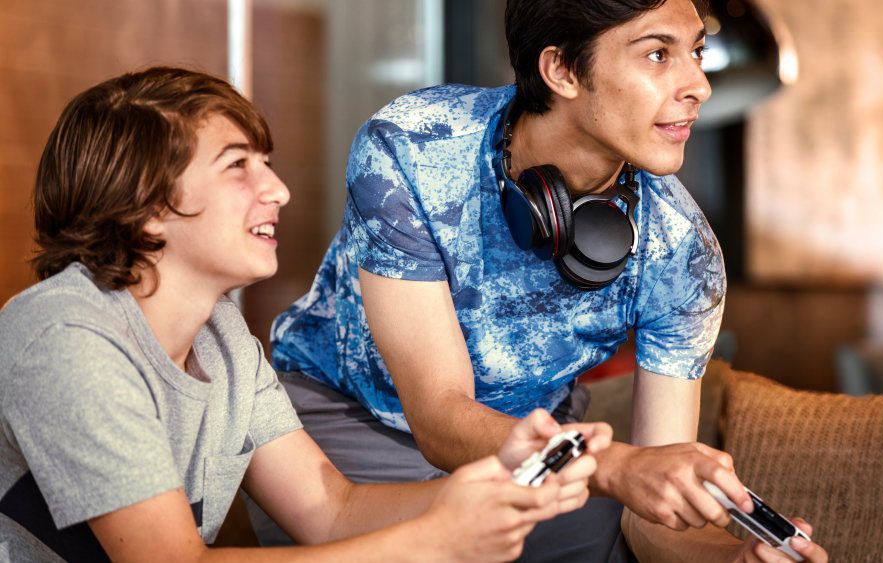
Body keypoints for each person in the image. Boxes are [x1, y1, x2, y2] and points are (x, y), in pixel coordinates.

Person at [264, 0, 829, 561]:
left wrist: (734, 559)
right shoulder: (414, 146)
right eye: (658, 54)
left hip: (538, 454)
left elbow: (652, 520)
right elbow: (439, 416)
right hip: (343, 427)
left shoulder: (683, 254)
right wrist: (615, 467)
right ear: (560, 70)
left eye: (696, 52)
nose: (699, 85)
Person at [0, 66, 609, 562]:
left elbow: (330, 512)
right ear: (143, 207)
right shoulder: (63, 335)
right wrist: (432, 541)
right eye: (238, 165)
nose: (278, 190)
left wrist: (496, 480)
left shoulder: (221, 337)